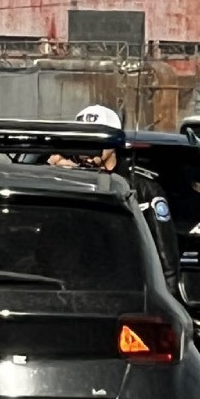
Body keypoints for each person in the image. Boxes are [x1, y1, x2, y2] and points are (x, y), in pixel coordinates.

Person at [47, 104, 180, 293]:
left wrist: (168, 298)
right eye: (82, 140)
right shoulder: (63, 180)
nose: (87, 149)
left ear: (114, 142)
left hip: (126, 293)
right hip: (69, 292)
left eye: (95, 140)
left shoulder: (142, 189)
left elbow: (165, 255)